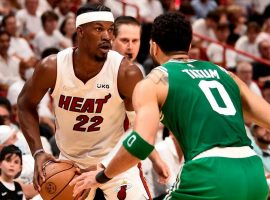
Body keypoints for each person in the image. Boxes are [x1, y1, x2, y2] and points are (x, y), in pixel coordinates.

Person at [71, 12, 270, 200]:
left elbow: (140, 143)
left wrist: (101, 176)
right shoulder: (225, 74)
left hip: (210, 173)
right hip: (254, 172)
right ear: (190, 45)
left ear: (153, 47)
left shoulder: (155, 81)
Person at [18, 3, 168, 199]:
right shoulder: (52, 67)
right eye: (99, 29)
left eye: (110, 30)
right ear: (80, 31)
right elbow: (25, 104)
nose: (107, 36)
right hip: (69, 164)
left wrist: (106, 165)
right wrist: (38, 151)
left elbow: (140, 127)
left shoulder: (126, 73)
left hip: (114, 161)